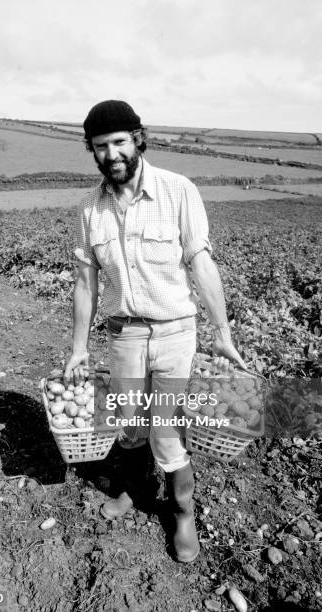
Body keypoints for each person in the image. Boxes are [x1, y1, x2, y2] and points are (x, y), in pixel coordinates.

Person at [64, 100, 247, 563]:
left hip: (174, 334)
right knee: (129, 425)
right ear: (93, 151)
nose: (112, 153)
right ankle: (135, 487)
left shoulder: (177, 190)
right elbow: (86, 283)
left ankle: (183, 512)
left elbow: (201, 264)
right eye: (101, 146)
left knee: (165, 432)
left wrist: (222, 332)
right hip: (126, 335)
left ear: (138, 139)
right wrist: (79, 347)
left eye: (120, 142)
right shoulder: (90, 209)